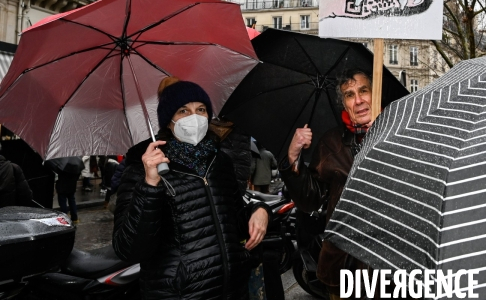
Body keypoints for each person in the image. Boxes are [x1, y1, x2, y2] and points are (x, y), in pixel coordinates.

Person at [113, 76, 271, 300]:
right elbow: (128, 249)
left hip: (231, 290)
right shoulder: (141, 169)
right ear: (169, 120)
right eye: (183, 111)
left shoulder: (220, 162)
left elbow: (234, 222)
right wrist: (149, 185)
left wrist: (260, 210)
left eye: (201, 109)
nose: (194, 117)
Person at [280, 69, 375, 300]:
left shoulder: (398, 133)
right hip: (343, 264)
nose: (359, 100)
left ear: (376, 93)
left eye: (364, 91)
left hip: (390, 266)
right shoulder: (331, 142)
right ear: (344, 103)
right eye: (350, 95)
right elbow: (310, 200)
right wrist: (292, 157)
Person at [54, 160, 82, 225]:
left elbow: (58, 172)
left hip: (62, 186)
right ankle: (74, 217)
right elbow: (78, 175)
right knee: (72, 201)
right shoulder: (76, 164)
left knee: (63, 203)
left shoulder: (62, 163)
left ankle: (65, 219)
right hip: (72, 185)